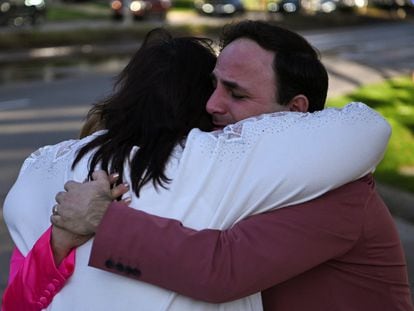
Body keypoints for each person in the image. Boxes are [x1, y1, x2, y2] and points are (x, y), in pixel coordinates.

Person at [0, 23, 404, 311]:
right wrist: (56, 244)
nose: (212, 105)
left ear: (296, 111)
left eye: (236, 93)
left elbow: (221, 269)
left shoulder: (334, 186)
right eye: (212, 86)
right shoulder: (240, 173)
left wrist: (102, 220)